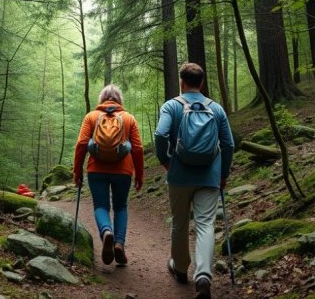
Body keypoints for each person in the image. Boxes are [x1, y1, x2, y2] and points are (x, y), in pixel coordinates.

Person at [154, 63, 234, 299]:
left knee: (179, 223)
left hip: (179, 176)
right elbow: (228, 144)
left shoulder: (171, 106)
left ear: (182, 82)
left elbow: (160, 134)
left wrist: (165, 160)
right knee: (205, 225)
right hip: (209, 177)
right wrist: (223, 174)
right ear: (202, 83)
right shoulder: (216, 109)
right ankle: (203, 277)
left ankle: (180, 269)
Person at [73, 84, 144, 266]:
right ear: (119, 100)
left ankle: (106, 232)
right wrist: (139, 175)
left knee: (101, 206)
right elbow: (137, 148)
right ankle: (119, 244)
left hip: (96, 169)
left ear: (101, 99)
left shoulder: (92, 116)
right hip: (123, 171)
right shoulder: (128, 118)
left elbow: (81, 144)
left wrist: (77, 171)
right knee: (120, 207)